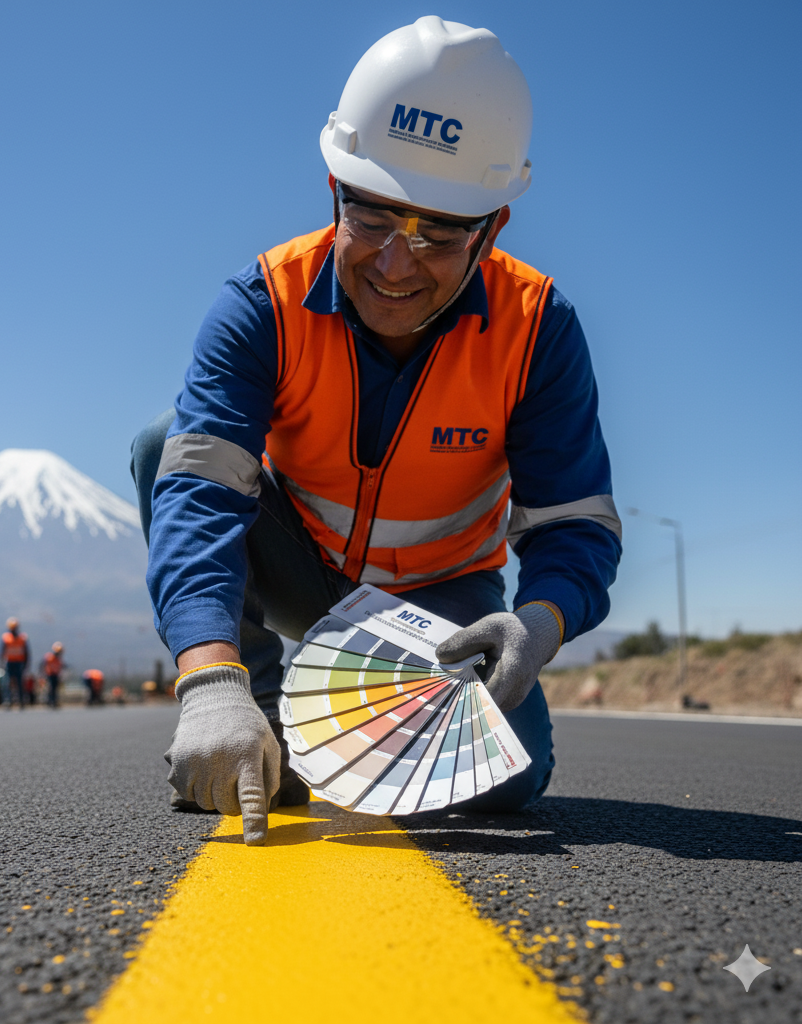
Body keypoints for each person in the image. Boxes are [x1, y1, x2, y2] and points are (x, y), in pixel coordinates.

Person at [130, 17, 621, 846]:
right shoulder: (262, 304)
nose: (396, 263)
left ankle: (358, 717)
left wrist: (538, 622)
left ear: (493, 227)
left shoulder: (538, 328)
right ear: (335, 190)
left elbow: (575, 522)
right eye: (373, 217)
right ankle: (259, 711)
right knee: (163, 444)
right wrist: (211, 681)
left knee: (508, 778)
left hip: (443, 606)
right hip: (299, 569)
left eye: (439, 233)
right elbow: (200, 500)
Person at [0, 618, 29, 710]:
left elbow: (26, 652)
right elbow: (2, 651)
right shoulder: (6, 637)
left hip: (19, 663)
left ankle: (21, 701)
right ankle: (7, 700)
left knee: (20, 683)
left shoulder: (22, 638)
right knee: (7, 682)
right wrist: (0, 664)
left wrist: (26, 664)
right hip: (9, 663)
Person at [42, 642, 65, 709]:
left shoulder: (59, 660)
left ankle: (54, 701)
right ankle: (50, 701)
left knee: (55, 689)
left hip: (56, 675)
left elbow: (60, 668)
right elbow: (44, 665)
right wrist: (44, 674)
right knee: (51, 688)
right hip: (50, 675)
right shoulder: (49, 657)